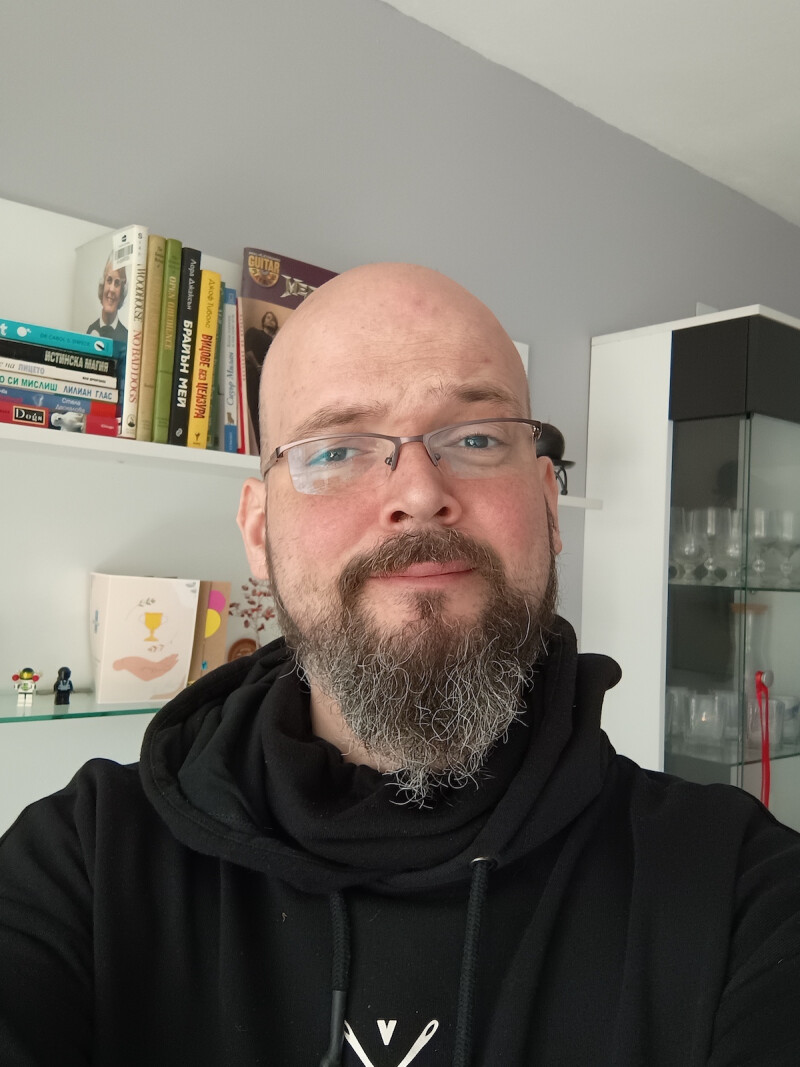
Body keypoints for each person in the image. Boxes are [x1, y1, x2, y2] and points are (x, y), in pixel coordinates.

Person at [1, 263, 799, 1067]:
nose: (419, 493)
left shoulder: (741, 886)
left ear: (549, 504)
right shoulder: (82, 863)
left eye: (476, 438)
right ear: (258, 531)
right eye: (337, 448)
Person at [244, 309, 279, 448]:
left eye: (273, 319)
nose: (271, 320)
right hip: (254, 374)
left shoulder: (276, 342)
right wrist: (258, 366)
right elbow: (248, 351)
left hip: (268, 381)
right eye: (268, 317)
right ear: (263, 320)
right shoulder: (254, 332)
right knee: (253, 408)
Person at [86, 259, 128, 343]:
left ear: (121, 292)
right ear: (103, 286)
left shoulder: (126, 337)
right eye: (109, 280)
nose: (111, 289)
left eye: (117, 283)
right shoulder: (90, 331)